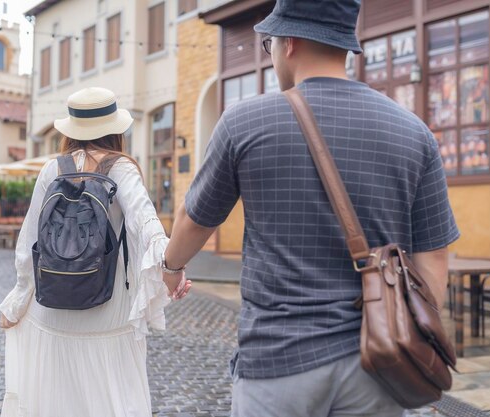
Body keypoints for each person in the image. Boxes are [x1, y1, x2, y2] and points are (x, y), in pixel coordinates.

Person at [163, 1, 459, 416]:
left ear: (289, 43)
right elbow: (434, 257)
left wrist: (170, 268)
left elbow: (195, 221)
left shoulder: (244, 122)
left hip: (277, 361)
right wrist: (415, 336)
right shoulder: (414, 132)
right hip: (380, 363)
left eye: (269, 44)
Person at [0, 87, 190, 417]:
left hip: (53, 307)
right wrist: (170, 268)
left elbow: (29, 243)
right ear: (116, 130)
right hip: (107, 309)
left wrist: (18, 299)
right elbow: (147, 223)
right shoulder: (122, 168)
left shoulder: (51, 170)